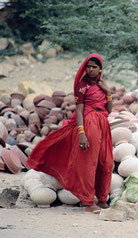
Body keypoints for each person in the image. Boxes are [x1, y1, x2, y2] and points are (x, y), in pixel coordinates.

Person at [27, 53, 114, 213]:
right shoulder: (82, 86)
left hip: (103, 125)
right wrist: (82, 133)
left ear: (100, 69)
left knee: (106, 162)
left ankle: (102, 199)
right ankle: (89, 203)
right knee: (90, 162)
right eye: (88, 67)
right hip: (89, 123)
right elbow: (79, 110)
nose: (90, 70)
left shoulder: (102, 85)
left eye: (94, 67)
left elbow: (109, 110)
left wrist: (108, 92)